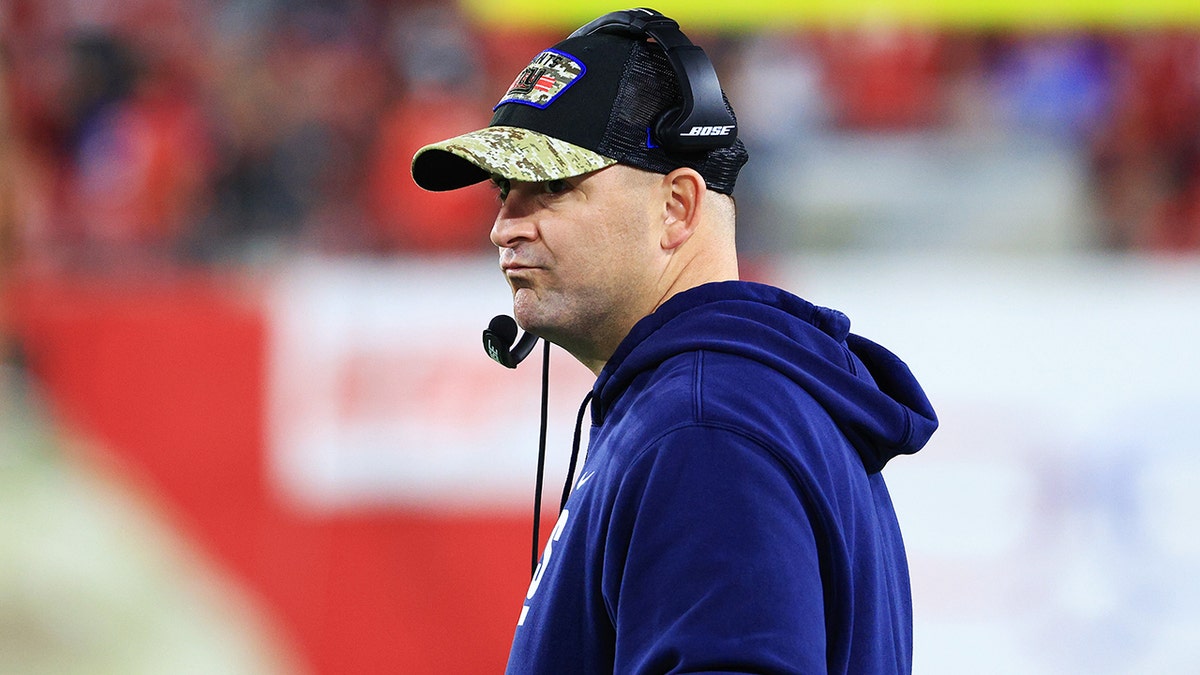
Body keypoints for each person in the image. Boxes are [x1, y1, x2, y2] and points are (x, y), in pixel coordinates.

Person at [410, 9, 938, 674]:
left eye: (548, 187)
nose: (505, 227)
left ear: (678, 207)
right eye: (504, 190)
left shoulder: (704, 427)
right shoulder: (727, 404)